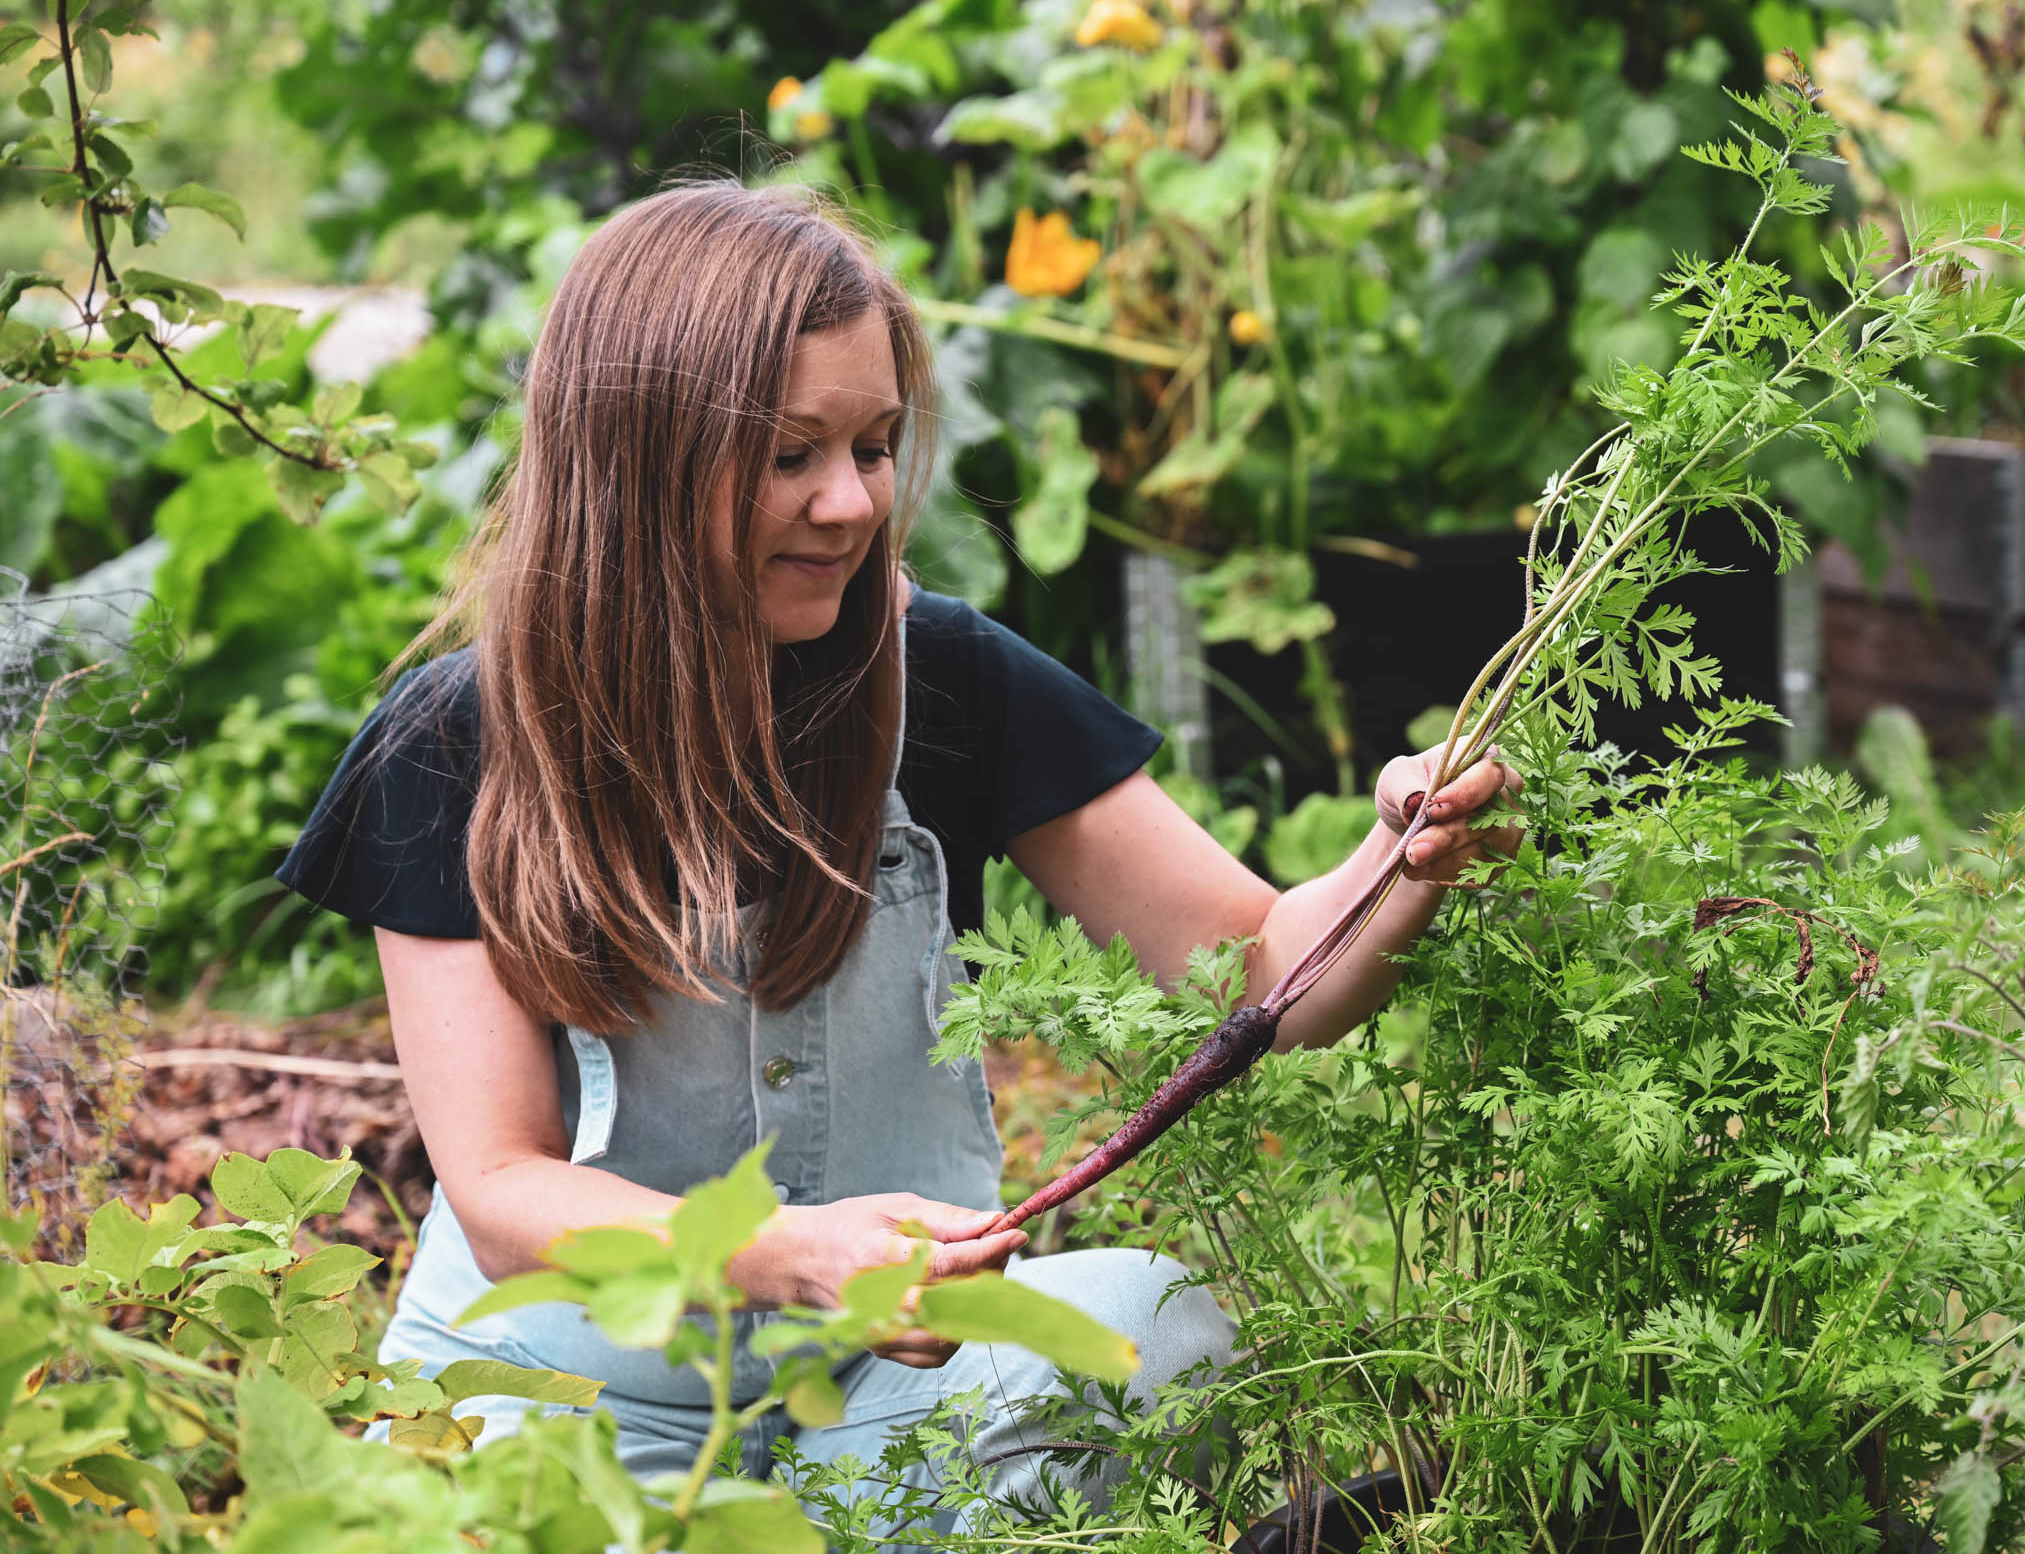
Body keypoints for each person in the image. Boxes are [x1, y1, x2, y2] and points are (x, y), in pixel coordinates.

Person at [277, 182, 1520, 1531]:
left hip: (886, 1390)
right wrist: (789, 1252)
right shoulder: (460, 740)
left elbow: (1264, 968)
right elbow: (505, 1187)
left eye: (873, 446)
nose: (850, 503)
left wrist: (1397, 860)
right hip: (564, 1395)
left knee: (1159, 1328)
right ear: (635, 458)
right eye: (788, 456)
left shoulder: (946, 682)